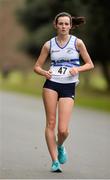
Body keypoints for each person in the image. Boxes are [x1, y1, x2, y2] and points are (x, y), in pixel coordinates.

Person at [34, 12, 94, 172]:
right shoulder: (49, 45)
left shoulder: (77, 43)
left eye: (66, 24)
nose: (63, 26)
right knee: (50, 123)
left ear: (71, 26)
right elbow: (37, 66)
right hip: (51, 84)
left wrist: (77, 68)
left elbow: (90, 64)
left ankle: (60, 146)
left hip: (68, 86)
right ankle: (55, 162)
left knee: (62, 130)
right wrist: (44, 72)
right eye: (60, 24)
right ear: (56, 25)